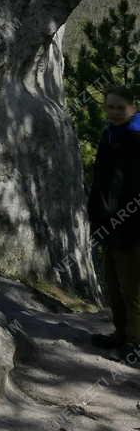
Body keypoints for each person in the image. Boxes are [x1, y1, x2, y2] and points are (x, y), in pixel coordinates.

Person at [86, 85, 140, 361]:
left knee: (133, 288)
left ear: (134, 107)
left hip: (133, 226)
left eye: (122, 107)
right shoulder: (109, 135)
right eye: (111, 107)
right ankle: (121, 334)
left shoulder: (136, 136)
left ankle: (135, 344)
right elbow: (102, 182)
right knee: (114, 284)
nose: (116, 112)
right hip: (110, 223)